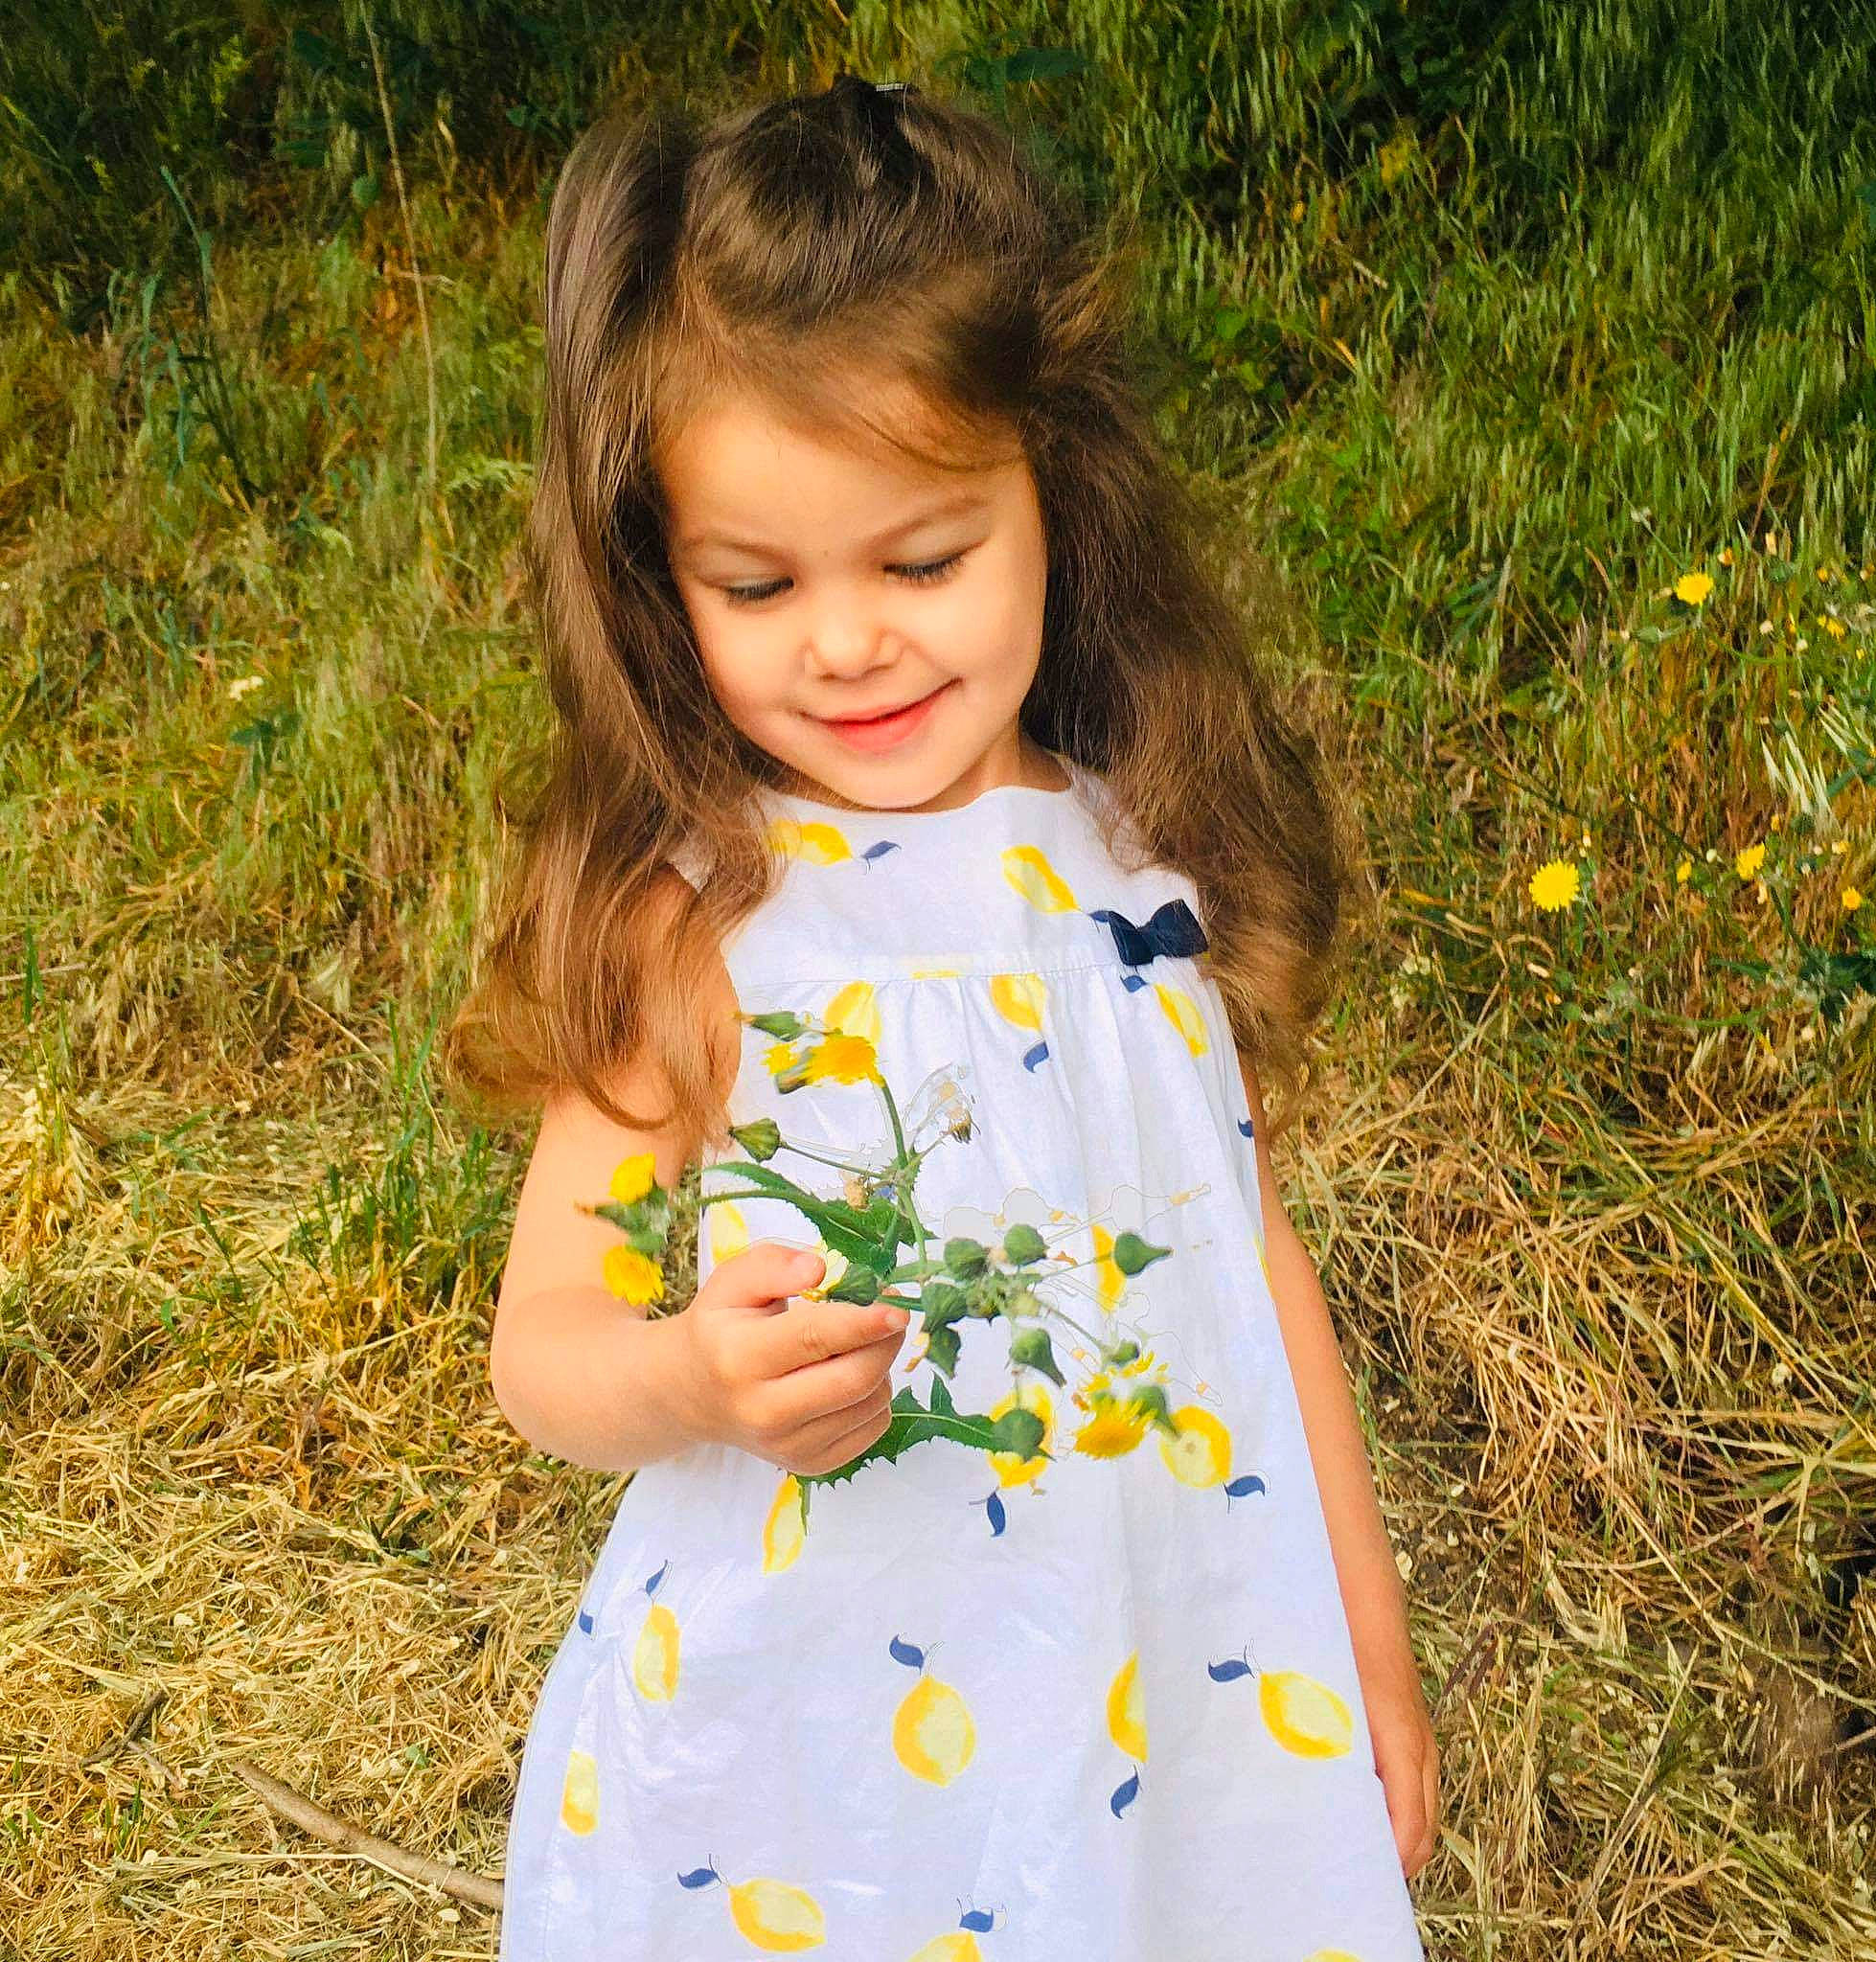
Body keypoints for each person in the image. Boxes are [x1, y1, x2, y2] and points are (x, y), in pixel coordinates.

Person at [446, 70, 1436, 1961]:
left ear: (1049, 499)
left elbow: (1247, 1271)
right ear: (668, 582)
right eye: (758, 582)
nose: (847, 639)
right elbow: (540, 1343)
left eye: (919, 559)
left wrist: (1363, 1651)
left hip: (1148, 1695)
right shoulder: (699, 922)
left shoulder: (1135, 885)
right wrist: (685, 1378)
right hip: (802, 1748)